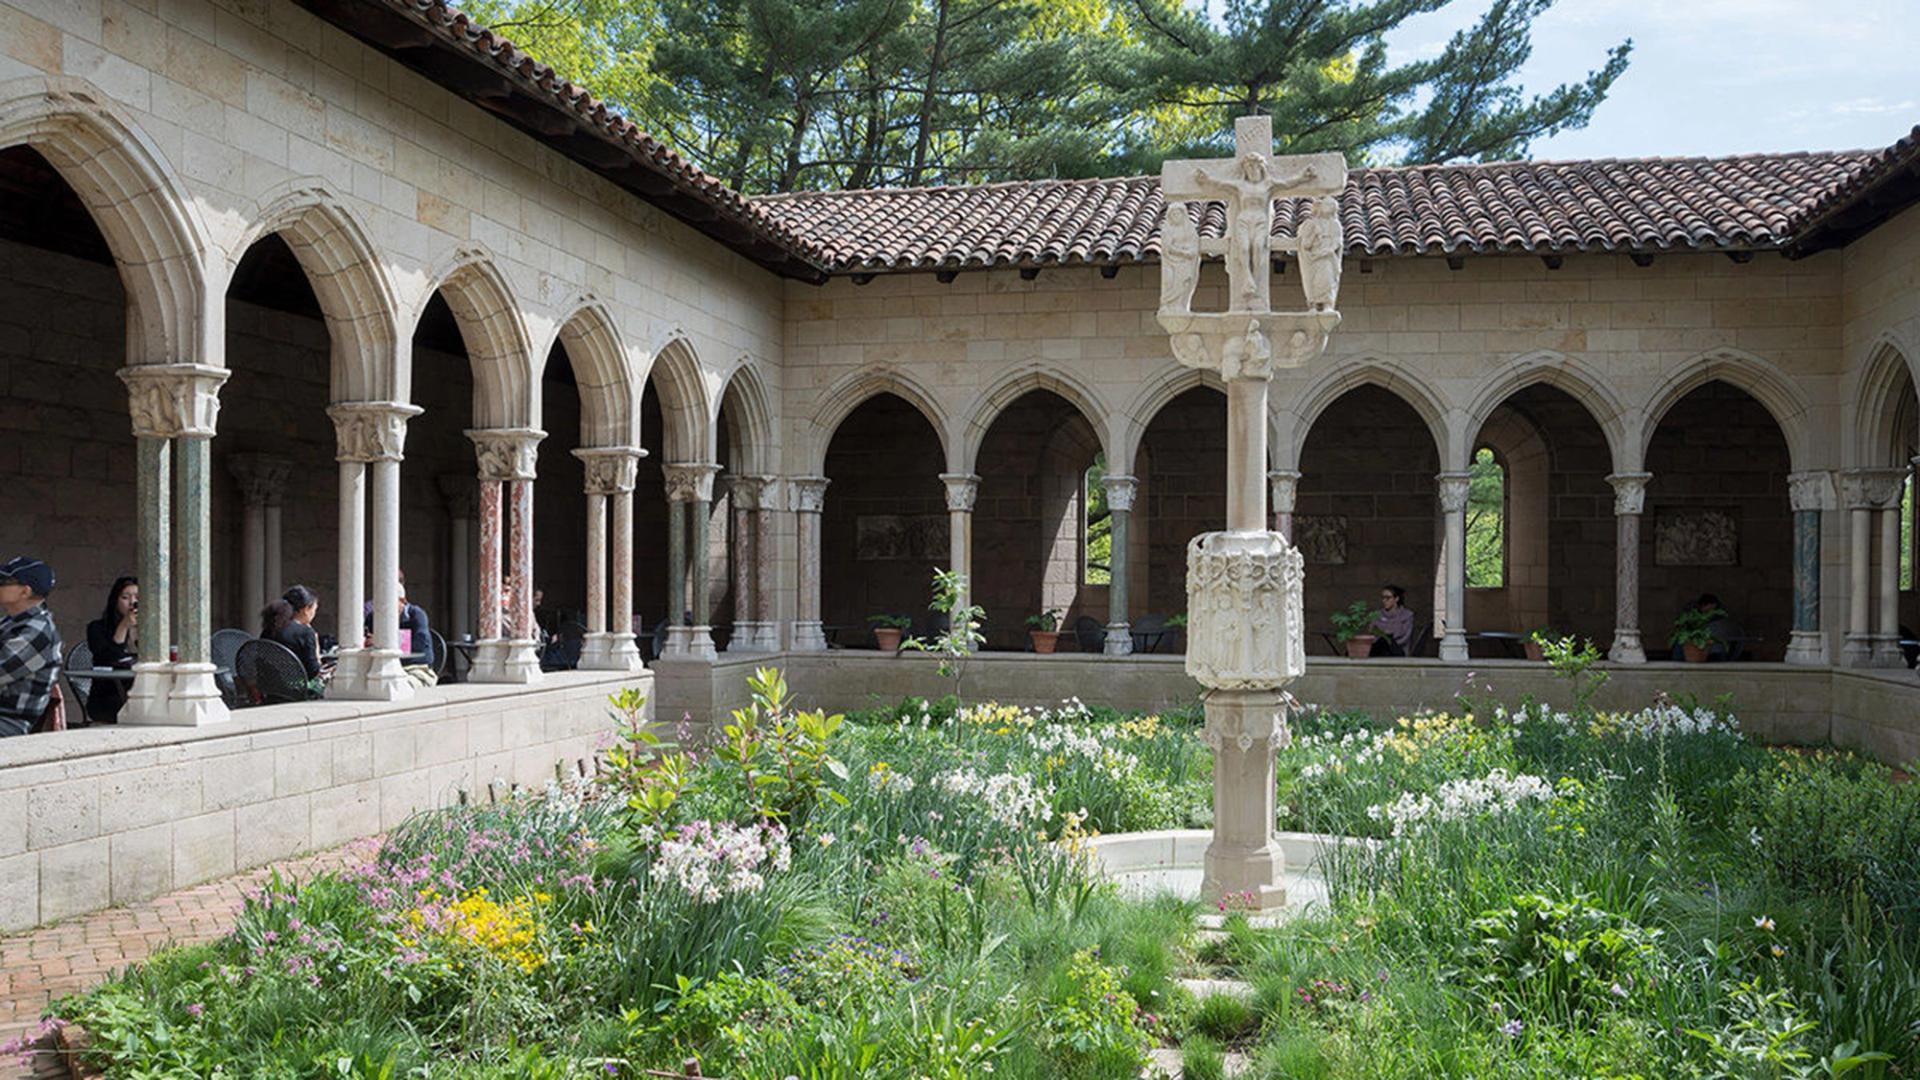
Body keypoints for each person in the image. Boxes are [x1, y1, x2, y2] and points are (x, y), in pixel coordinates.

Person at [0, 556, 63, 737]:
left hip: (10, 722)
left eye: (3, 581)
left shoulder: (38, 631)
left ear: (25, 592)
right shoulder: (11, 622)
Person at [84, 576, 138, 725]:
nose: (132, 603)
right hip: (108, 696)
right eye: (125, 597)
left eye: (137, 598)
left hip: (142, 693)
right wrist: (124, 626)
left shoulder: (150, 630)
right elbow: (109, 657)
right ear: (115, 600)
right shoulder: (97, 628)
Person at [261, 585, 326, 696]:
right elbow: (313, 671)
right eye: (314, 610)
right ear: (306, 610)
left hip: (271, 690)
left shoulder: (269, 629)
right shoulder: (306, 632)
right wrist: (317, 652)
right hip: (298, 690)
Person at [1370, 584, 1414, 658]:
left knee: (1387, 640)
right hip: (1379, 648)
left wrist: (1390, 639)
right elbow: (1373, 633)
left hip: (1398, 649)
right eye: (1383, 598)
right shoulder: (1377, 615)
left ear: (1396, 599)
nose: (1384, 600)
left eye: (1388, 598)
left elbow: (1406, 637)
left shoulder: (1407, 615)